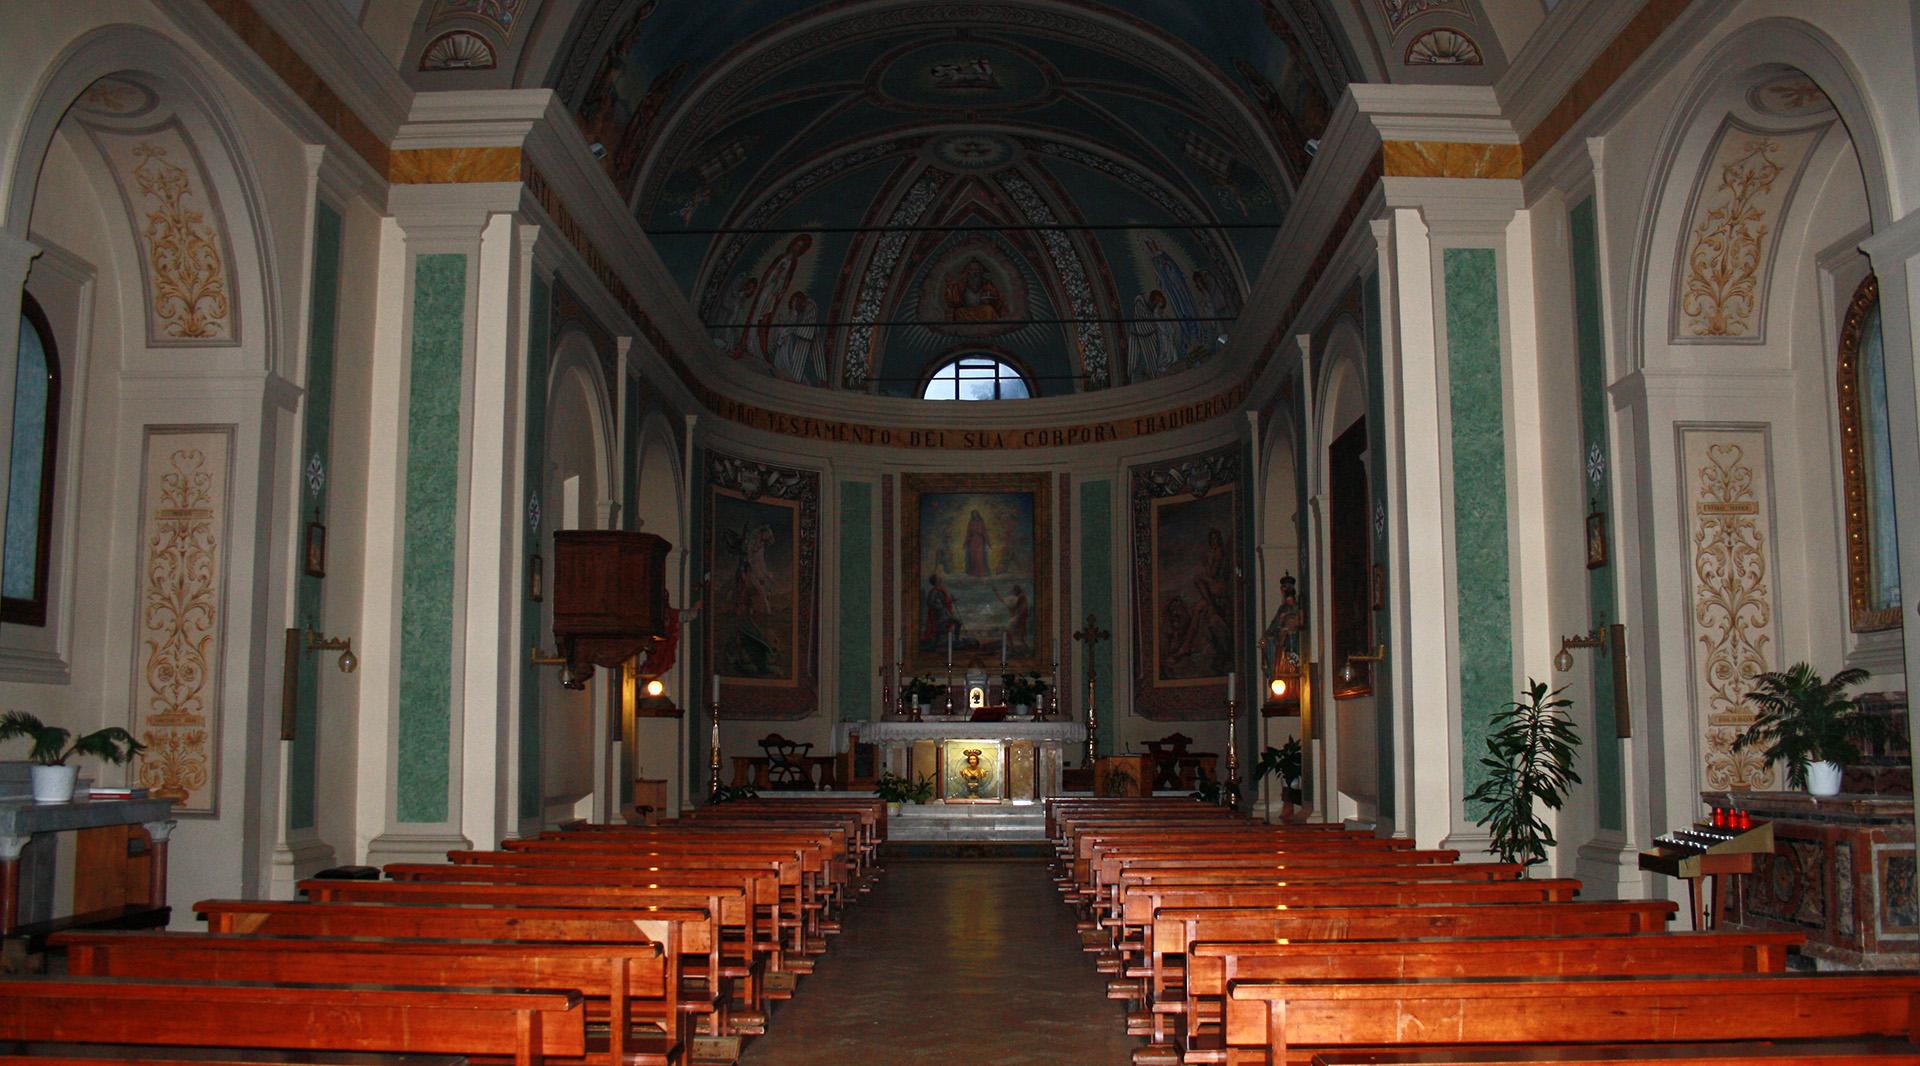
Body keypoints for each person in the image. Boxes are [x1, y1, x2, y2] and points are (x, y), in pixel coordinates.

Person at [921, 573, 958, 650]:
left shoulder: (941, 590)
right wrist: (940, 607)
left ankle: (955, 640)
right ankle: (942, 641)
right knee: (952, 623)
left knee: (958, 622)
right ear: (936, 581)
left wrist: (951, 600)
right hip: (939, 615)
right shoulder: (934, 591)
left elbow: (944, 602)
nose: (941, 580)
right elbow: (930, 603)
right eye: (939, 579)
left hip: (945, 613)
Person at [995, 583, 1031, 656]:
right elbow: (1003, 601)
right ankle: (1013, 649)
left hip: (1016, 619)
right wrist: (996, 593)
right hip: (1017, 619)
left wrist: (996, 593)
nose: (1013, 591)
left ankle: (1014, 649)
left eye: (1014, 590)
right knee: (1014, 635)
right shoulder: (1019, 598)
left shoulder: (1020, 598)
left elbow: (1021, 610)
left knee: (1011, 633)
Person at [963, 508, 991, 577]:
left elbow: (984, 532)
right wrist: (965, 542)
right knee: (973, 557)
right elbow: (968, 533)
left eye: (976, 514)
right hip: (972, 541)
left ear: (978, 514)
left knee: (979, 557)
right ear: (972, 515)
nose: (975, 515)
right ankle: (973, 572)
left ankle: (981, 572)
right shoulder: (970, 522)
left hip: (980, 541)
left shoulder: (981, 522)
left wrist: (988, 542)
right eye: (973, 514)